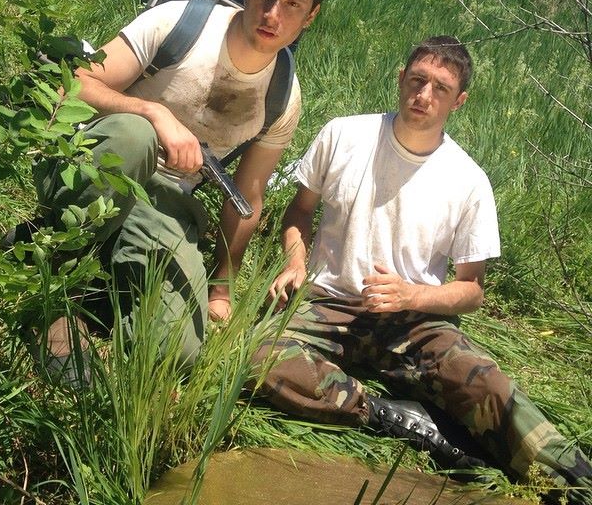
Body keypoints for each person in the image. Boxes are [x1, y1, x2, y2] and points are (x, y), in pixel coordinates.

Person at [253, 37, 592, 503]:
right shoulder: (343, 134)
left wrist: (411, 296)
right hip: (327, 303)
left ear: (459, 100)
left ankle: (574, 482)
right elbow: (299, 212)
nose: (424, 95)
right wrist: (294, 261)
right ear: (401, 79)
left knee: (490, 387)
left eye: (440, 88)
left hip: (414, 323)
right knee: (260, 356)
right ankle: (387, 414)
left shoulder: (469, 180)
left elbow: (471, 290)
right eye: (417, 80)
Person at [30, 0, 332, 384]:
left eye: (292, 4)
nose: (272, 15)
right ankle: (48, 269)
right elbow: (71, 84)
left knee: (180, 352)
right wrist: (152, 113)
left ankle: (99, 301)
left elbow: (247, 193)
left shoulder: (283, 95)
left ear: (311, 16)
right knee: (136, 136)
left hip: (165, 206)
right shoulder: (178, 23)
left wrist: (222, 287)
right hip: (98, 165)